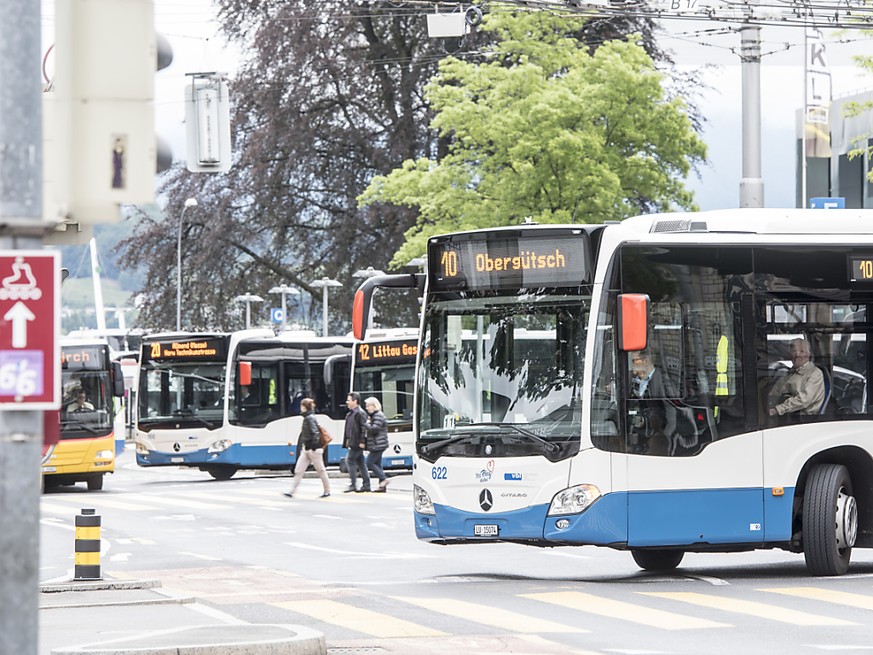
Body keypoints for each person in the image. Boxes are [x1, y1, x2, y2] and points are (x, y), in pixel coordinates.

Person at [629, 351, 696, 456]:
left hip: (661, 434)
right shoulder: (633, 381)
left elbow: (672, 408)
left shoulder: (664, 379)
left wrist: (665, 434)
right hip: (641, 434)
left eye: (634, 360)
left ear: (646, 361)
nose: (632, 364)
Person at [284, 398, 330, 499]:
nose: (300, 408)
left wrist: (313, 447)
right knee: (298, 470)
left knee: (321, 470)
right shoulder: (307, 418)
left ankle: (327, 491)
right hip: (307, 449)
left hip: (313, 450)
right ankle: (291, 491)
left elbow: (315, 433)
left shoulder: (310, 418)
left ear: (305, 407)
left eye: (302, 406)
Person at [768, 337, 825, 418]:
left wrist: (778, 409)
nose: (797, 355)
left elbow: (805, 399)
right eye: (794, 351)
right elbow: (774, 393)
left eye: (802, 351)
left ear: (809, 354)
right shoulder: (789, 374)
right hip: (783, 415)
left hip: (801, 419)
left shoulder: (815, 374)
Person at [342, 392, 371, 493]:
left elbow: (364, 428)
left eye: (349, 400)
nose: (347, 402)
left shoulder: (360, 413)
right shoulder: (351, 413)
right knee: (361, 462)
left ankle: (353, 484)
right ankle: (366, 484)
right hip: (353, 442)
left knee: (349, 460)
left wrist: (362, 441)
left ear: (355, 401)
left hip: (357, 442)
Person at [363, 397, 390, 492]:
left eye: (368, 406)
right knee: (377, 464)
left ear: (374, 406)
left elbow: (374, 429)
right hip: (378, 443)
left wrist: (365, 424)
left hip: (378, 444)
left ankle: (384, 479)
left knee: (369, 462)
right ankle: (382, 486)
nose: (367, 408)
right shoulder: (375, 415)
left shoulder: (378, 415)